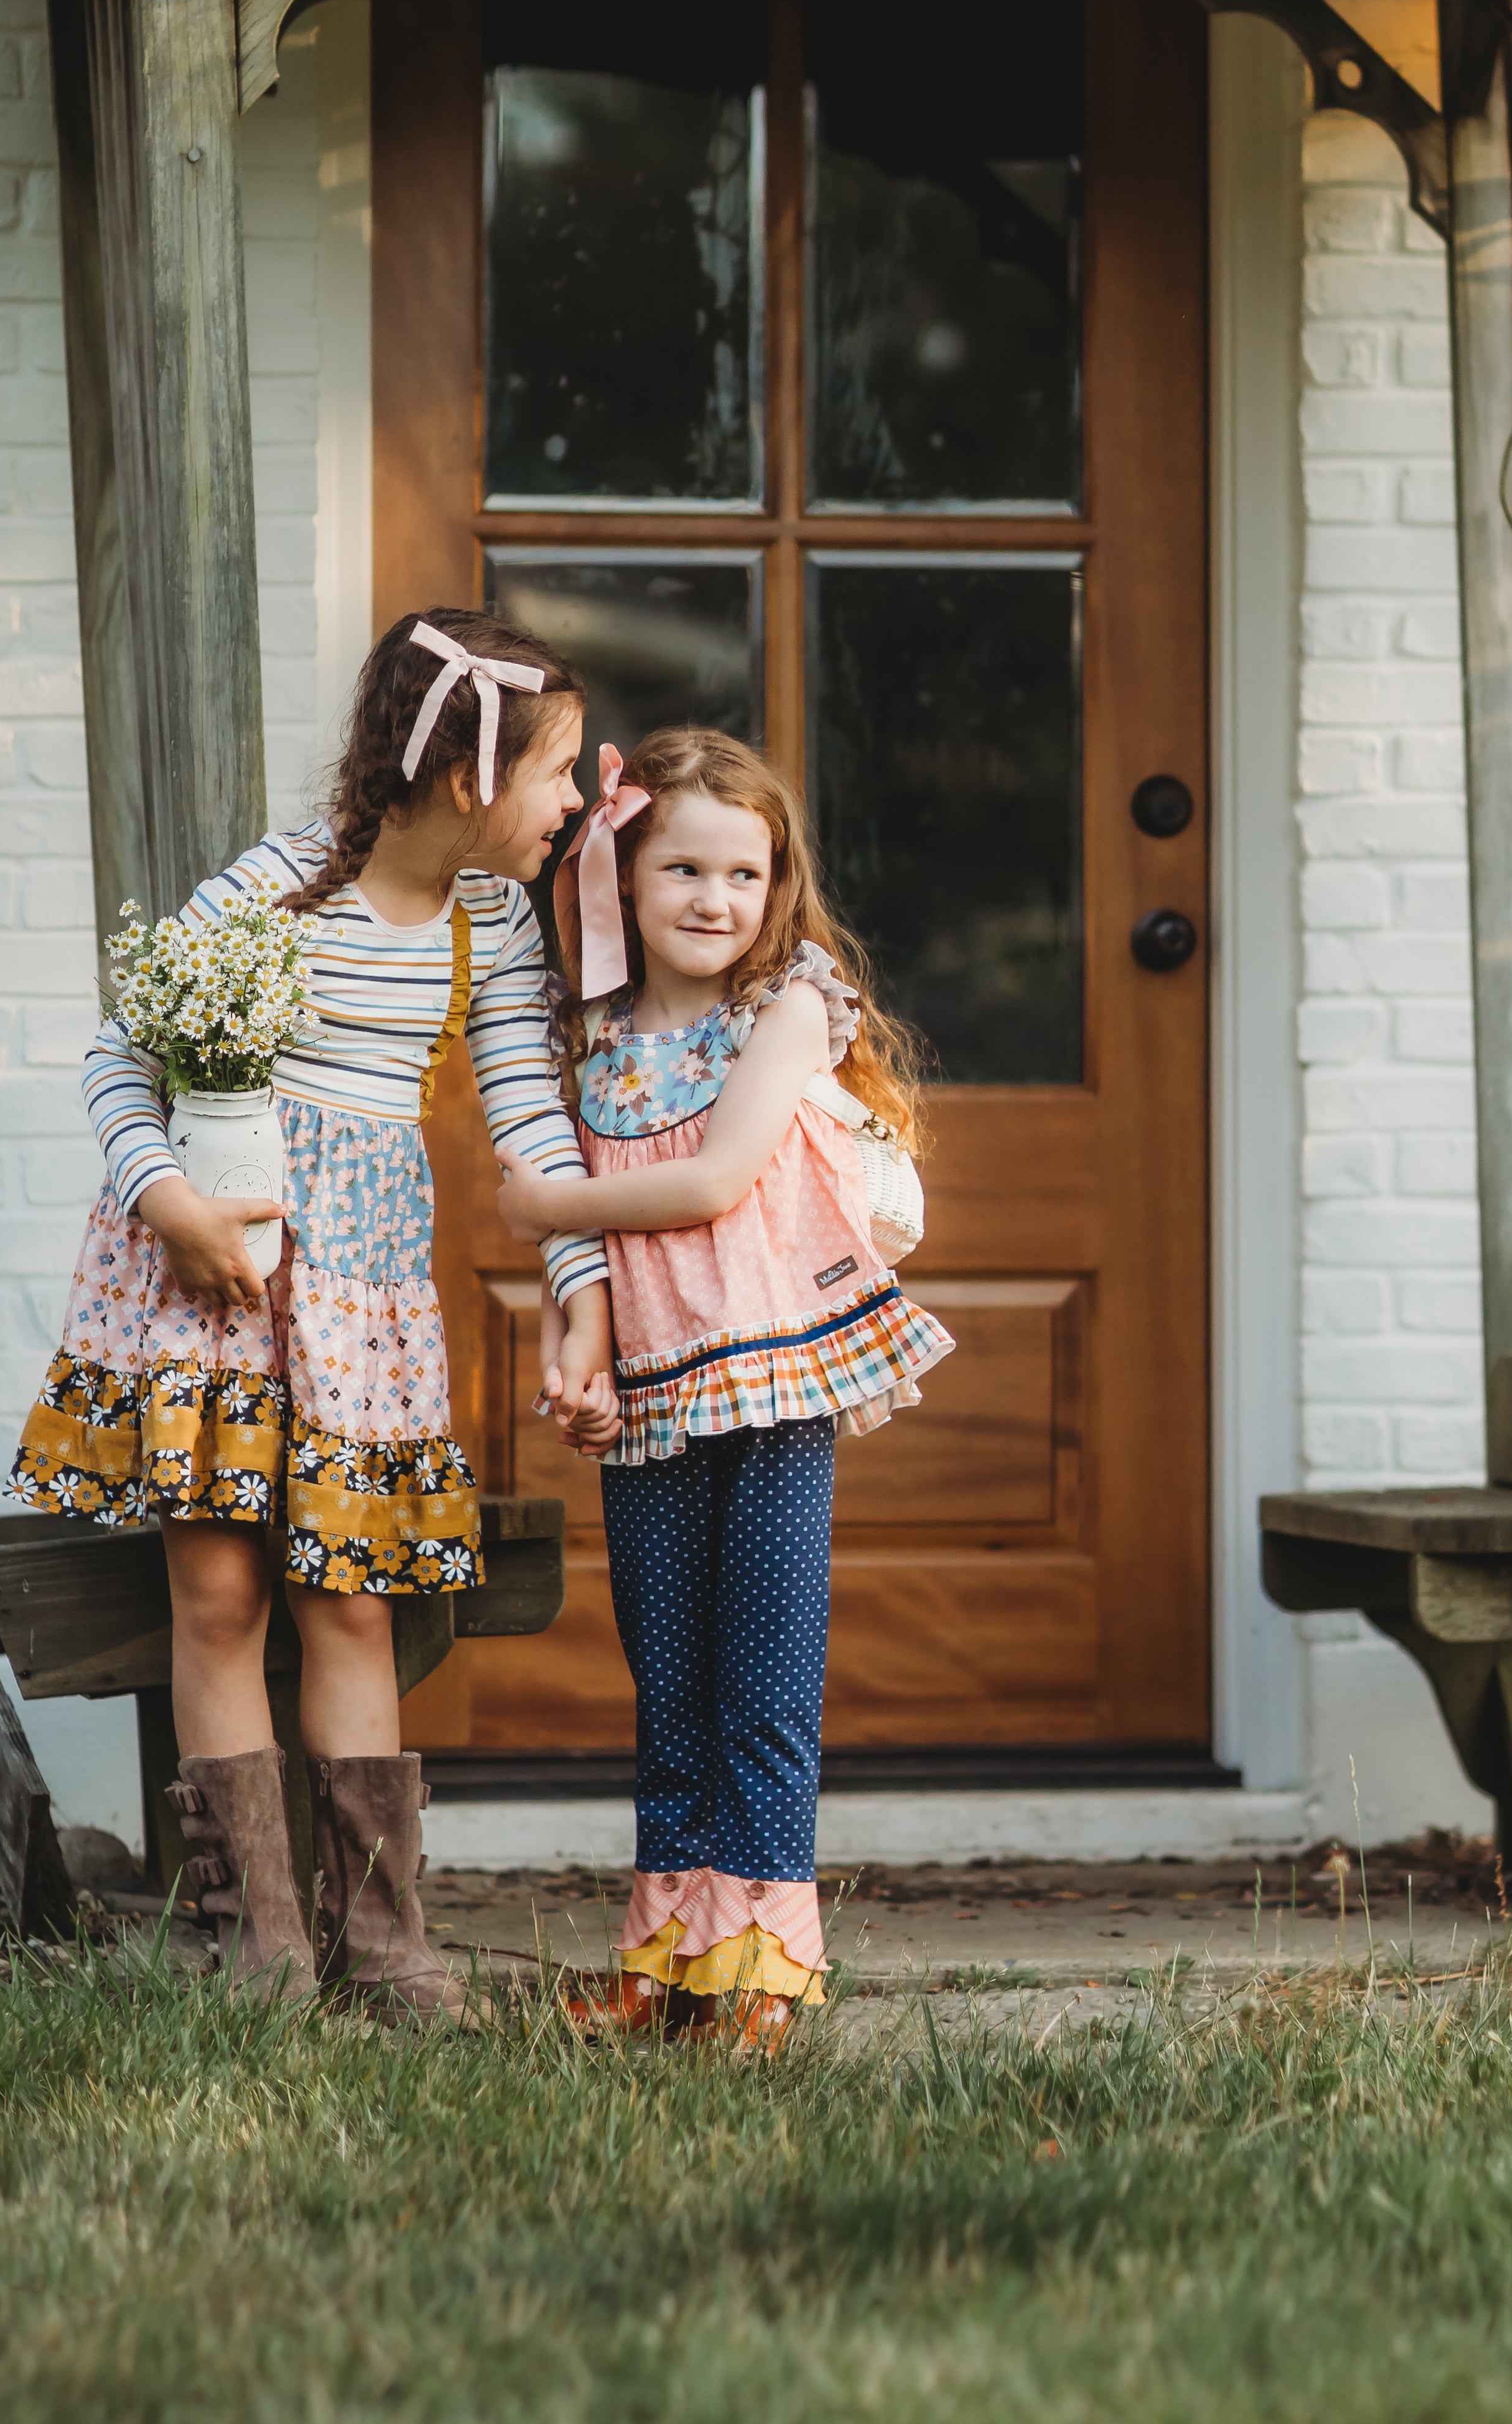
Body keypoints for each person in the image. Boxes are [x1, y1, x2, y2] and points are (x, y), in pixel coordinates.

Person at [10, 608, 606, 2013]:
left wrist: (579, 1294)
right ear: (470, 776)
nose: (575, 804)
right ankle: (258, 1949)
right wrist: (174, 1206)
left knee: (354, 1602)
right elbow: (119, 1058)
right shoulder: (282, 890)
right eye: (560, 771)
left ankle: (384, 1946)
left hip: (366, 1304)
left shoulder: (491, 922)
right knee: (217, 1593)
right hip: (219, 1284)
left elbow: (531, 1120)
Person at [498, 726, 954, 2049]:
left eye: (743, 875)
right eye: (682, 869)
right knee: (668, 1682)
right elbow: (595, 1255)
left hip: (769, 1385)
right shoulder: (586, 1032)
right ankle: (664, 1959)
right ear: (620, 883)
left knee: (760, 1684)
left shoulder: (788, 1010)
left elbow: (710, 1184)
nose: (714, 900)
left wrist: (542, 1202)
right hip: (649, 1390)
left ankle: (764, 1968)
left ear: (777, 888)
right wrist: (569, 1346)